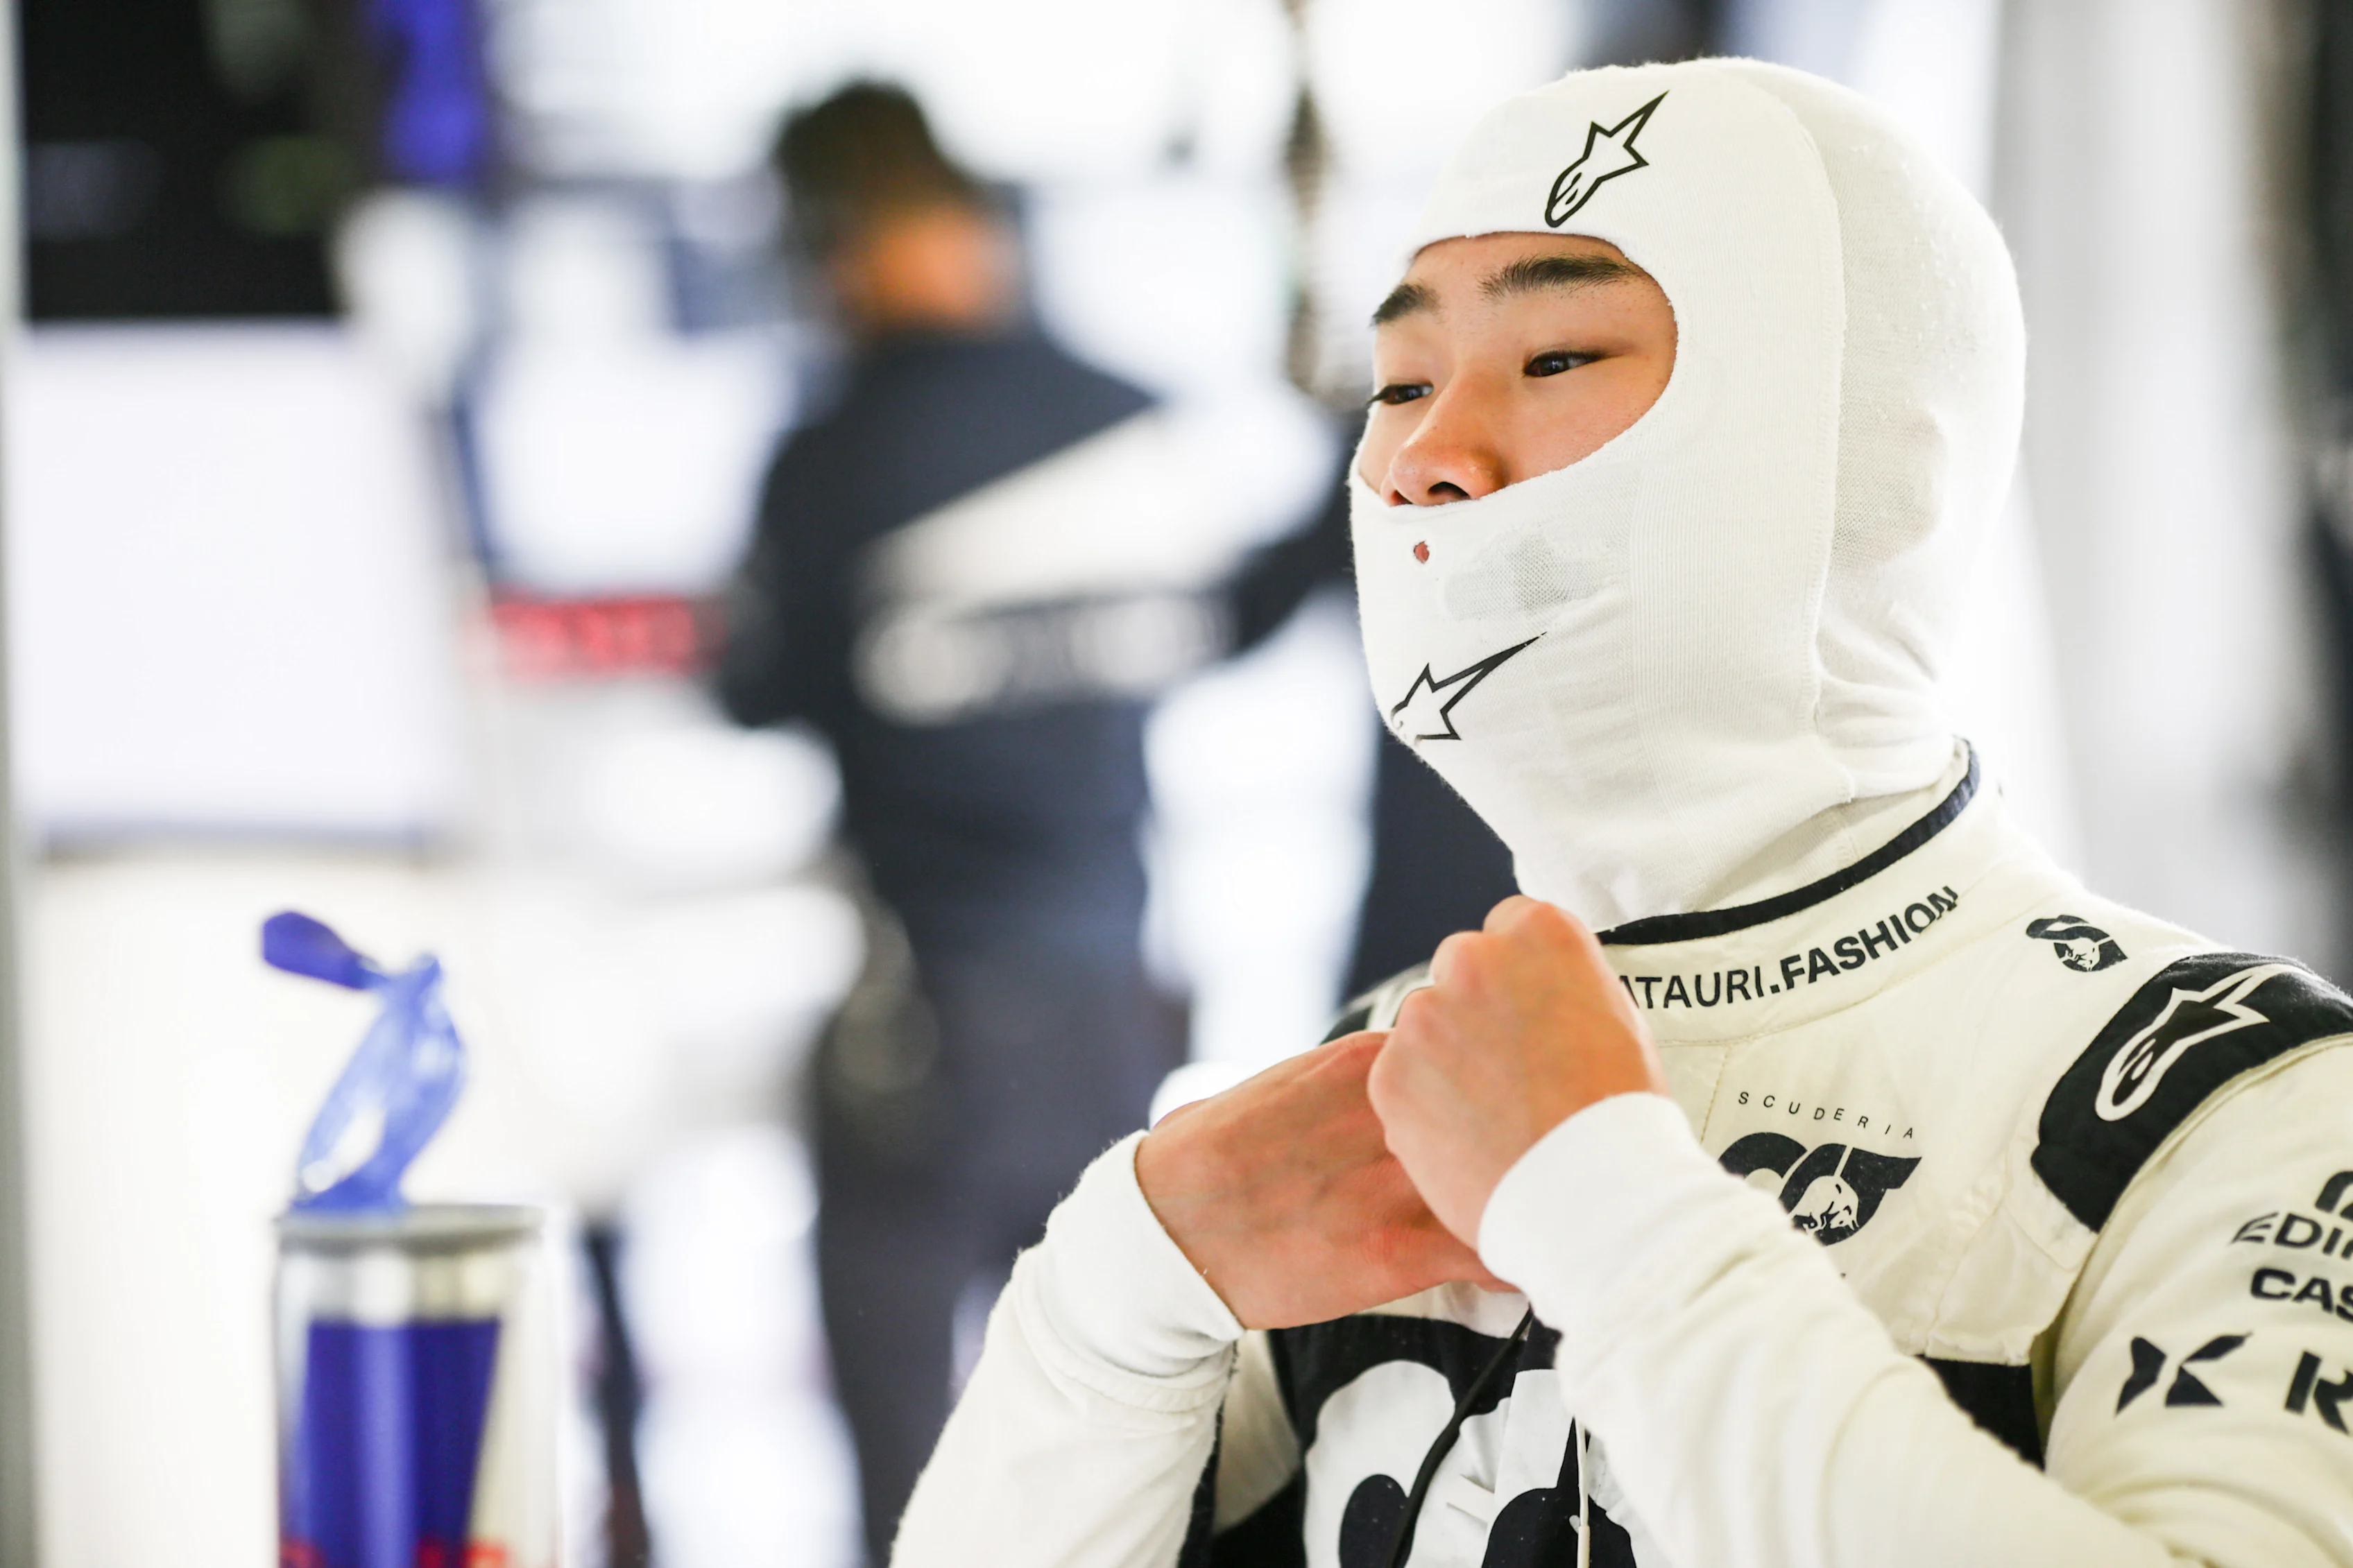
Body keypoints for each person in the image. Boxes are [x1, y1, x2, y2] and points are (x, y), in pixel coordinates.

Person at [890, 58, 2353, 1568]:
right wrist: (1115, 1294)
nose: (1425, 460)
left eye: (1556, 357)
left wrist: (1610, 1212)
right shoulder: (1365, 1098)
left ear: (1877, 467)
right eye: (1398, 381)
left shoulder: (2246, 1109)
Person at [712, 83, 1181, 1563]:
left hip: (930, 1031)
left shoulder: (835, 460)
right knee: (1124, 1446)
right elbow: (1223, 616)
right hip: (1122, 1009)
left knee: (910, 1475)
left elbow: (760, 686)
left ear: (832, 241)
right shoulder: (1122, 422)